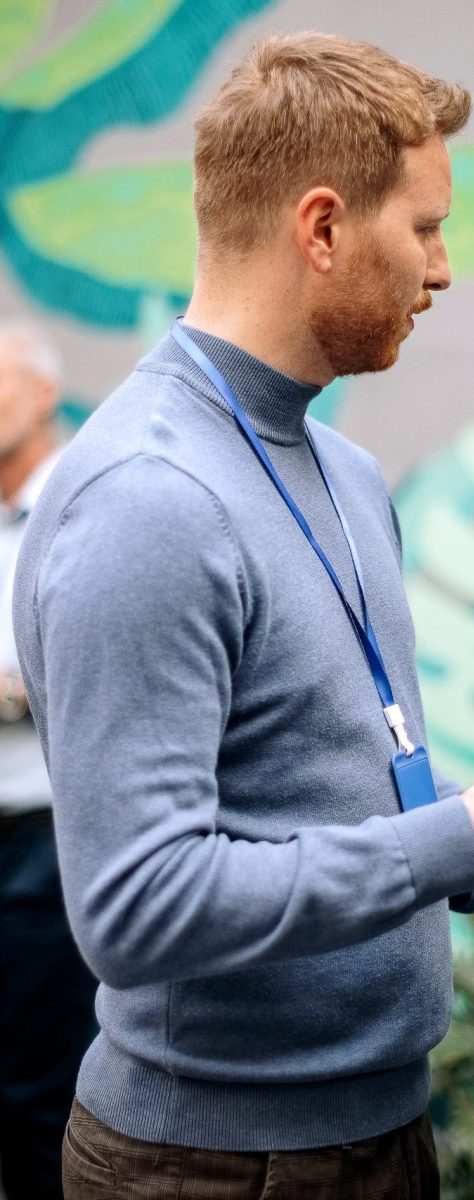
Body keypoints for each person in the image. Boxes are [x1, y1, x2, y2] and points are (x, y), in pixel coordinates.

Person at [12, 33, 474, 1199]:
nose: (443, 270)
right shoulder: (147, 500)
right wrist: (468, 842)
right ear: (324, 227)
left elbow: (330, 797)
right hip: (207, 1167)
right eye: (427, 227)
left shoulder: (340, 470)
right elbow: (137, 908)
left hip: (381, 1134)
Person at [0, 321, 96, 1200]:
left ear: (39, 393)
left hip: (48, 843)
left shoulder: (85, 503)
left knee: (42, 1097)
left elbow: (94, 667)